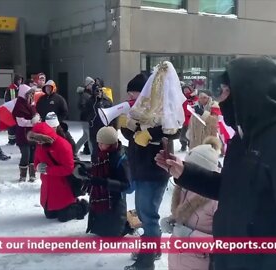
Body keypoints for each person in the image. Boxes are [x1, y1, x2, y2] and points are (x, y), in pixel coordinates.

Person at [155, 56, 276, 270]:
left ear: (247, 93)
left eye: (225, 91)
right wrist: (184, 173)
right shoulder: (245, 137)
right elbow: (231, 188)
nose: (220, 99)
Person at [122, 64, 185, 270]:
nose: (132, 95)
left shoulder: (163, 110)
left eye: (134, 92)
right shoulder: (141, 110)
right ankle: (152, 249)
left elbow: (173, 131)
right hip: (140, 167)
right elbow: (132, 138)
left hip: (154, 170)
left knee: (148, 215)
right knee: (143, 212)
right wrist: (127, 128)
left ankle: (147, 260)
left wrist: (150, 135)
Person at [160, 136, 220, 270]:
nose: (183, 172)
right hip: (177, 261)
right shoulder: (182, 188)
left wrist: (190, 236)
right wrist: (172, 220)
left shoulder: (216, 200)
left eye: (189, 169)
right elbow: (184, 219)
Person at [27, 122, 89, 222]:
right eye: (36, 140)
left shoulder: (63, 145)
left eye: (40, 140)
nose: (38, 143)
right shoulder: (40, 144)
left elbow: (68, 168)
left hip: (62, 185)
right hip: (48, 185)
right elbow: (36, 160)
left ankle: (81, 206)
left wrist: (48, 170)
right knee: (49, 215)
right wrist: (37, 166)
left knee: (64, 217)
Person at [85, 126, 131, 237]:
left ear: (111, 143)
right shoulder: (99, 154)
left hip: (114, 201)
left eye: (102, 143)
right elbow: (96, 168)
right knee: (100, 230)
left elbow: (126, 186)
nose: (99, 146)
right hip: (100, 198)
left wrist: (104, 182)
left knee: (112, 234)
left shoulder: (120, 158)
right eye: (98, 143)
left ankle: (127, 225)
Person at [13, 84, 40, 182]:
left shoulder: (31, 104)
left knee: (33, 154)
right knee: (26, 154)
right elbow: (21, 122)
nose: (31, 96)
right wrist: (32, 122)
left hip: (32, 134)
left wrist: (37, 117)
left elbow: (35, 113)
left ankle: (32, 174)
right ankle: (23, 175)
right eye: (29, 94)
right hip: (23, 134)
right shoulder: (19, 106)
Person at [84, 83, 113, 163]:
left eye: (100, 90)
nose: (99, 92)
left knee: (106, 148)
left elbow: (113, 114)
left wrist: (112, 127)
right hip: (94, 129)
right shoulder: (90, 101)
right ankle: (95, 165)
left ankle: (106, 166)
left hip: (105, 128)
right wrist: (90, 120)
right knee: (95, 149)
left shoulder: (107, 101)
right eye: (96, 91)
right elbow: (86, 113)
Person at [75, 76, 94, 155]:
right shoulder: (85, 95)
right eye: (92, 83)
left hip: (85, 119)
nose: (93, 85)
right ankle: (93, 154)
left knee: (85, 137)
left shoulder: (88, 94)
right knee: (90, 137)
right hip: (86, 120)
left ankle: (74, 150)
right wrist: (89, 112)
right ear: (88, 85)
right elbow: (81, 106)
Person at [5, 74, 23, 145]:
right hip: (11, 110)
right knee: (11, 126)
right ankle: (11, 140)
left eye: (21, 80)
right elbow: (7, 99)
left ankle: (17, 139)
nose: (20, 81)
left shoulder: (20, 88)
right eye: (19, 80)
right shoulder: (10, 88)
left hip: (18, 110)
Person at [180, 84, 198, 152]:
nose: (186, 91)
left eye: (187, 90)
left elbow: (197, 106)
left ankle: (190, 147)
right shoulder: (182, 98)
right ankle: (183, 146)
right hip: (185, 120)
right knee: (182, 136)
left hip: (193, 120)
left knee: (190, 135)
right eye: (184, 90)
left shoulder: (195, 98)